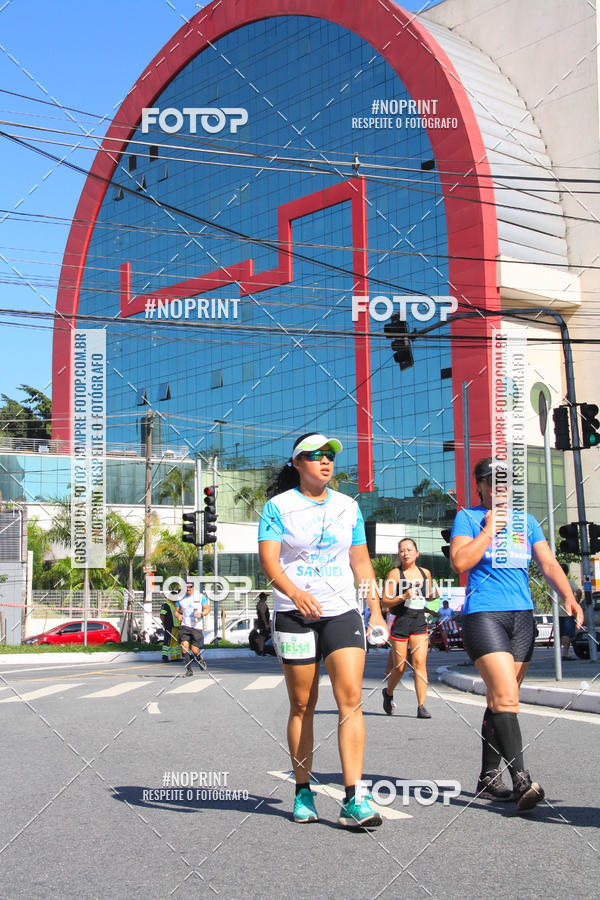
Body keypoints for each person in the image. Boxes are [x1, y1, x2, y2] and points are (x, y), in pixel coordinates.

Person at [258, 432, 386, 828]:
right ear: (297, 463)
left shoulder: (349, 507)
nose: (325, 461)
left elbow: (361, 563)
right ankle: (302, 791)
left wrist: (375, 611)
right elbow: (269, 562)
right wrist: (295, 594)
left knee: (351, 698)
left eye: (330, 455)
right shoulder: (277, 507)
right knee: (302, 704)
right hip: (295, 614)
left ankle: (354, 798)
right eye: (315, 456)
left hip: (342, 612)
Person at [450, 457, 584, 811]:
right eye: (492, 481)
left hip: (521, 617)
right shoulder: (468, 518)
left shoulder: (526, 522)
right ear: (479, 485)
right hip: (484, 614)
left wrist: (568, 597)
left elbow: (548, 563)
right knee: (508, 697)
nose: (501, 487)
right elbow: (460, 562)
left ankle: (486, 777)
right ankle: (522, 779)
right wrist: (488, 530)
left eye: (506, 481)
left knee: (500, 699)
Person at [381, 538, 438, 719]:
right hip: (400, 622)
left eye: (409, 549)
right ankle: (388, 692)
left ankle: (421, 706)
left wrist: (433, 594)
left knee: (420, 663)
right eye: (402, 550)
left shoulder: (425, 573)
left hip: (419, 621)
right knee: (399, 668)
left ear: (417, 553)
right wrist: (403, 596)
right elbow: (385, 602)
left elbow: (428, 597)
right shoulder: (395, 574)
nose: (405, 553)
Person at [178, 581, 210, 675]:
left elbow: (207, 609)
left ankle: (200, 659)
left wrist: (201, 614)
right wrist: (178, 616)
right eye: (186, 587)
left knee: (194, 650)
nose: (188, 589)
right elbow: (176, 611)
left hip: (196, 626)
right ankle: (189, 670)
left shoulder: (200, 597)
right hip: (185, 626)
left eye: (190, 587)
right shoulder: (180, 598)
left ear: (193, 587)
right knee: (184, 647)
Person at [558, 564, 580, 660]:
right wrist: (576, 603)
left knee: (560, 633)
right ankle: (565, 654)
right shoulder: (569, 582)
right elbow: (579, 592)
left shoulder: (554, 583)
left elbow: (549, 597)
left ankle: (558, 654)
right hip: (568, 611)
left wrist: (554, 606)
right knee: (567, 633)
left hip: (557, 612)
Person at [160, 590, 183, 662]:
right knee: (168, 641)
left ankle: (176, 657)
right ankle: (165, 656)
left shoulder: (177, 605)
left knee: (176, 642)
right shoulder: (166, 605)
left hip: (176, 626)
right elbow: (162, 615)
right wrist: (164, 623)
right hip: (169, 625)